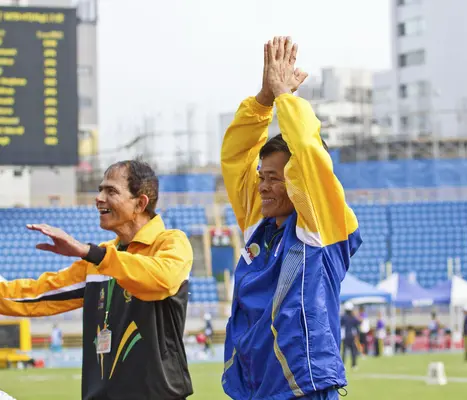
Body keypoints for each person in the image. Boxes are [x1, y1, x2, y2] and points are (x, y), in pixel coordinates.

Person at [220, 36, 362, 400]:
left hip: (301, 388)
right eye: (261, 177)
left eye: (275, 179)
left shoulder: (322, 229)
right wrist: (263, 101)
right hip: (253, 388)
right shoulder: (260, 227)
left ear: (297, 183)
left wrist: (286, 97)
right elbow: (237, 158)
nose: (263, 188)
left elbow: (310, 156)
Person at [0, 160, 194, 400]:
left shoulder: (171, 242)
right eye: (100, 189)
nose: (99, 198)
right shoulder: (99, 259)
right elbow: (37, 294)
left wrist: (91, 253)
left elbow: (161, 278)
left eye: (111, 191)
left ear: (140, 203)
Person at [340, 302, 360, 371]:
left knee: (344, 351)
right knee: (353, 351)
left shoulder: (343, 317)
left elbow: (340, 326)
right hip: (352, 336)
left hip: (345, 336)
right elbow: (357, 326)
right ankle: (354, 365)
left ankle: (343, 365)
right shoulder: (353, 317)